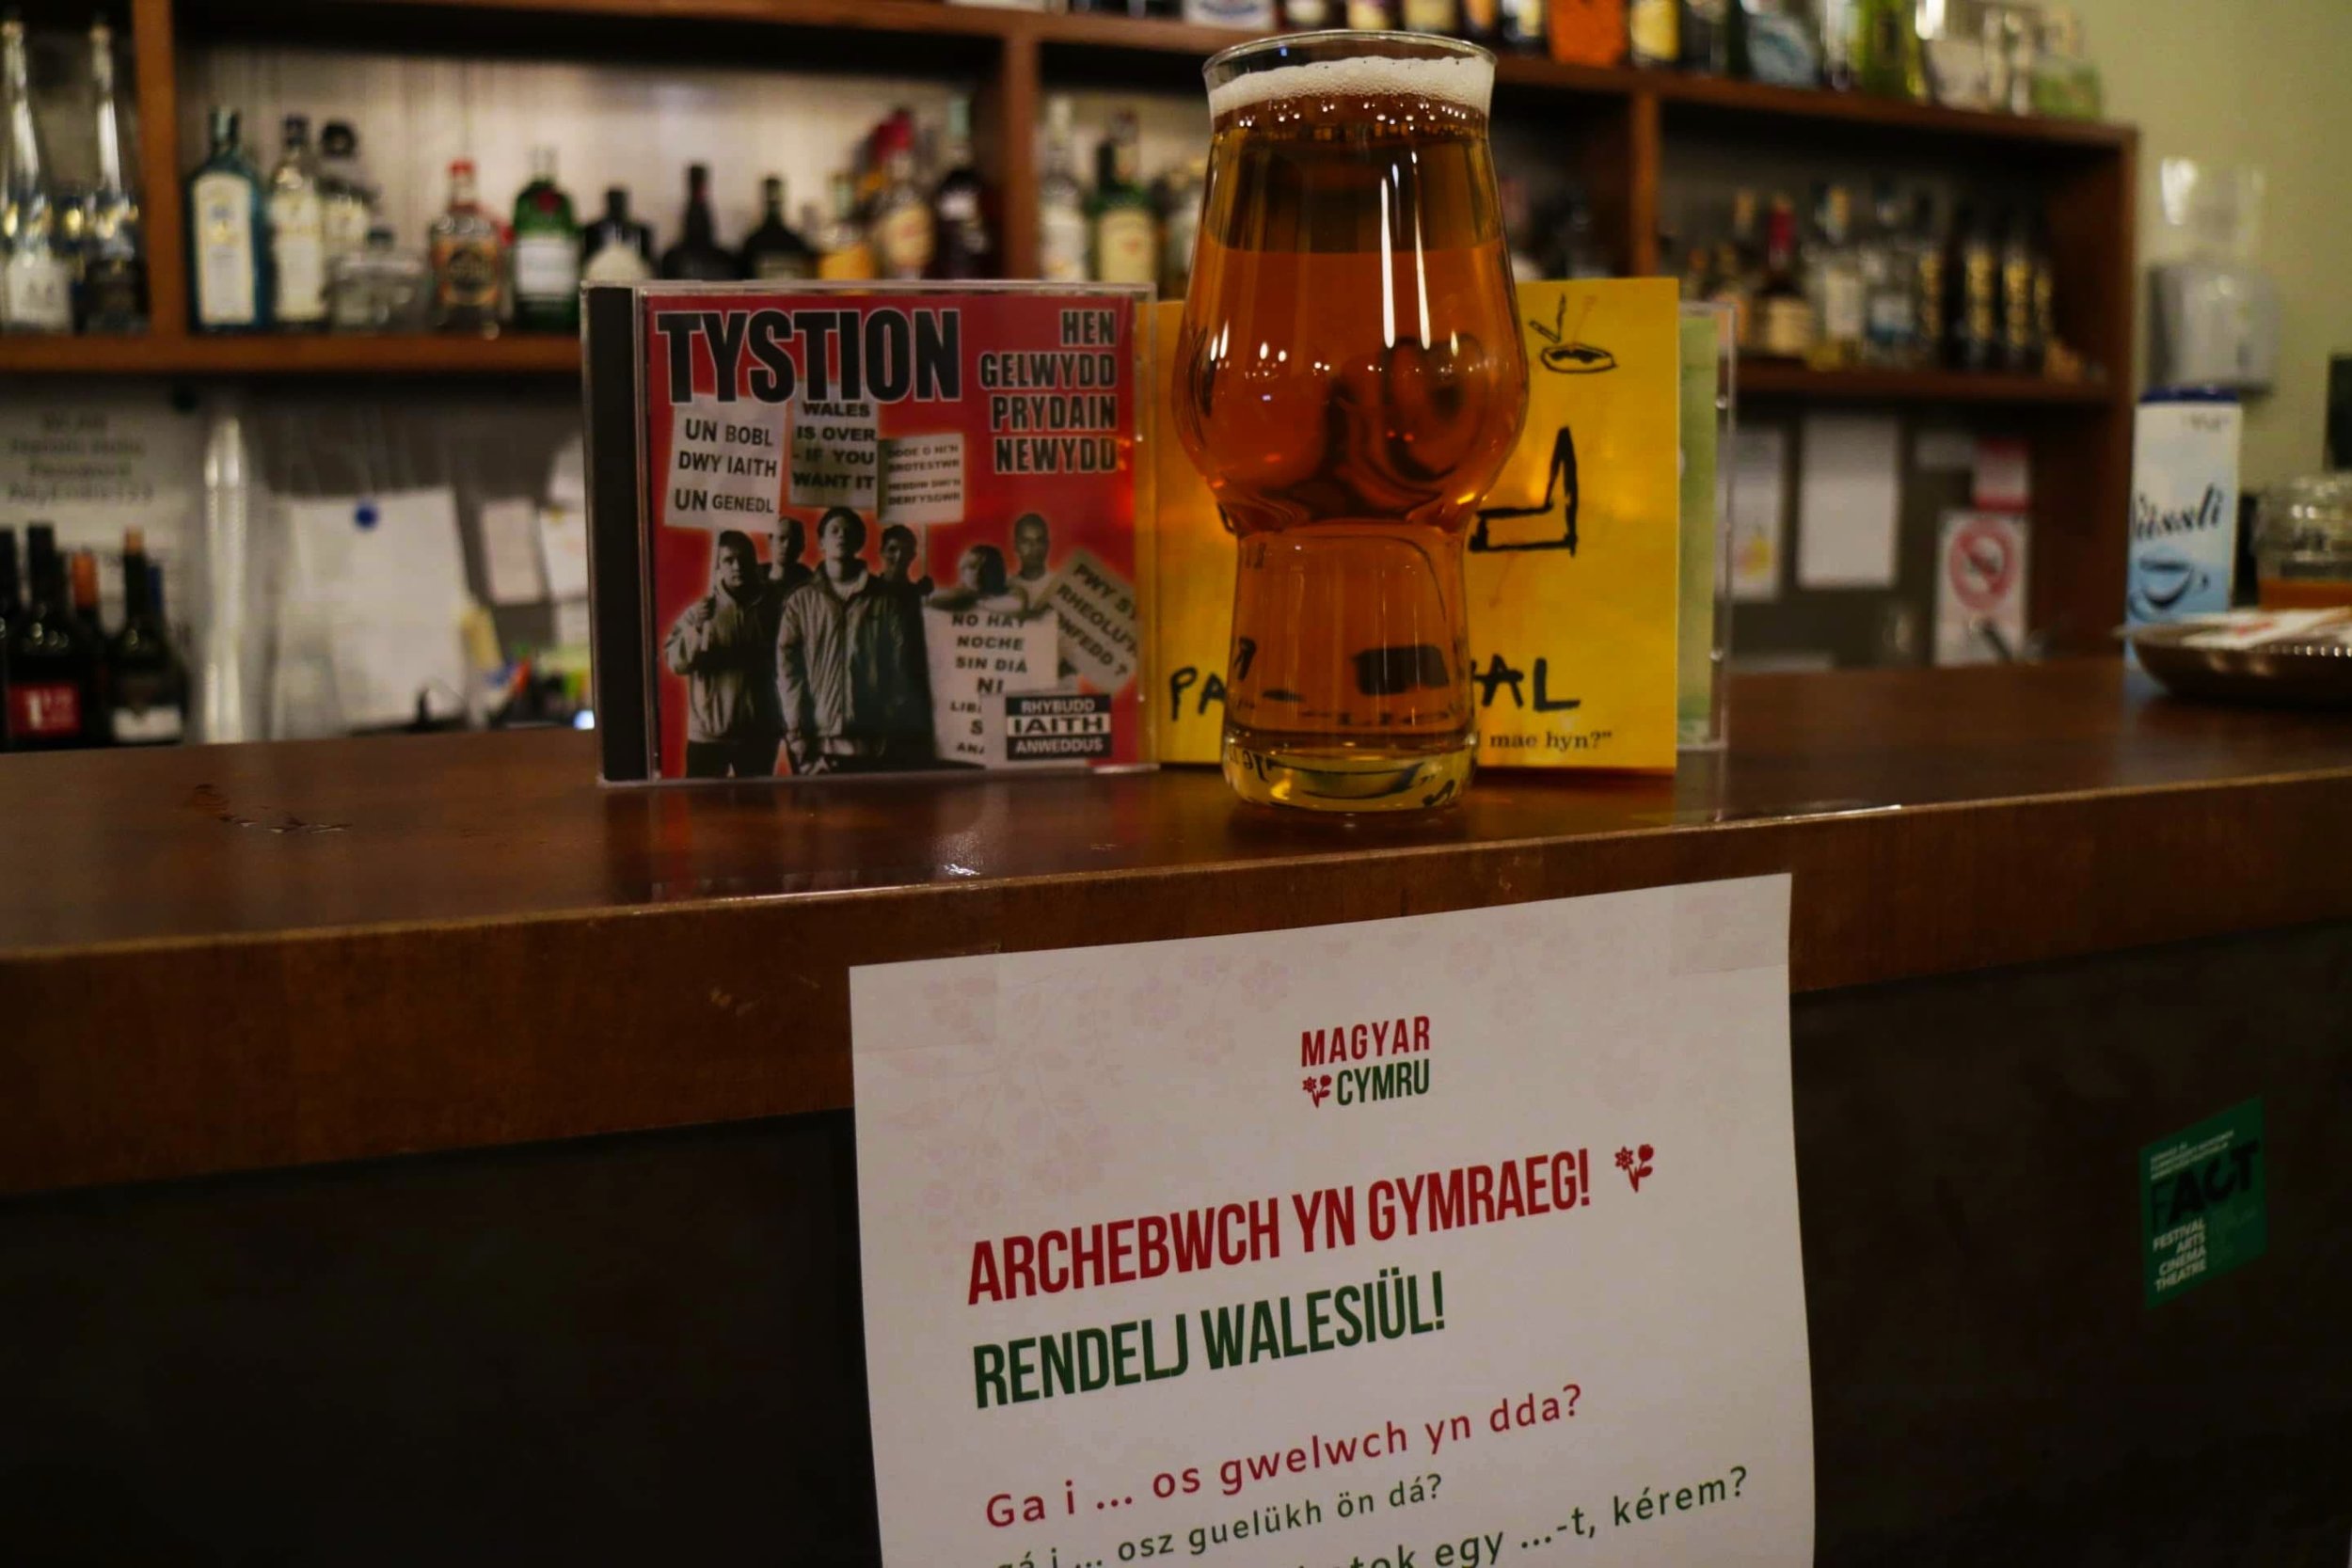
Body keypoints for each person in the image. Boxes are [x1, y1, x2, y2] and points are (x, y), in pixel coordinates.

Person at [775, 508, 931, 772]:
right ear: (822, 542)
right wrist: (798, 737)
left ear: (860, 542)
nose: (841, 536)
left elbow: (899, 668)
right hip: (817, 742)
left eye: (848, 531)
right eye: (834, 530)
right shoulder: (801, 601)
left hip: (873, 743)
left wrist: (889, 727)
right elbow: (788, 674)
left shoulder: (883, 600)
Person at [662, 530, 780, 778]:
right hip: (708, 736)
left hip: (757, 736)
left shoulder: (770, 608)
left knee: (758, 811)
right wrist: (695, 630)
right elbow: (676, 663)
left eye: (744, 559)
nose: (737, 566)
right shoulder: (701, 611)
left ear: (753, 561)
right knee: (704, 813)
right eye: (728, 560)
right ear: (718, 565)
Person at [926, 544, 1030, 614]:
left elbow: (1018, 605)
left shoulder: (1013, 591)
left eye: (986, 568)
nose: (978, 573)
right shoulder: (957, 592)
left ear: (998, 572)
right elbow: (930, 598)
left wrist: (977, 601)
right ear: (962, 572)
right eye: (972, 567)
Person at [1010, 512, 1055, 609]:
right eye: (1026, 542)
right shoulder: (1007, 588)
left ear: (1047, 545)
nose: (1033, 548)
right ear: (1016, 546)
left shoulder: (1058, 586)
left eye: (1039, 541)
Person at [878, 524, 932, 599]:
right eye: (892, 549)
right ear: (882, 552)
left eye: (905, 551)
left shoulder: (916, 595)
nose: (898, 556)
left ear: (912, 555)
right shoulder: (870, 592)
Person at [768, 515, 813, 600]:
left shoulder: (812, 585)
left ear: (802, 546)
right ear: (770, 541)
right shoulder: (753, 579)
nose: (787, 545)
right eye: (781, 538)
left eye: (793, 541)